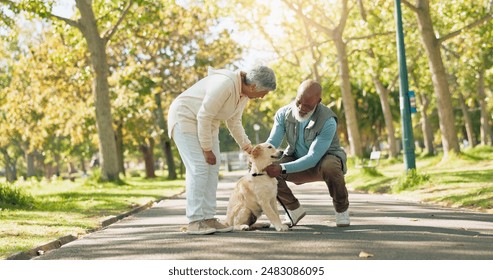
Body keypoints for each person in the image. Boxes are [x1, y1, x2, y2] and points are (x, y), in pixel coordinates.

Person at [168, 66, 277, 235]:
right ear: (254, 86)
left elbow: (234, 121)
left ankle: (208, 218)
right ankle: (195, 220)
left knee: (213, 167)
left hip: (208, 124)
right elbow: (203, 115)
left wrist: (247, 147)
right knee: (199, 168)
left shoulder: (243, 94)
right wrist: (207, 149)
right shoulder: (224, 84)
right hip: (185, 118)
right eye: (264, 92)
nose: (263, 97)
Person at [264, 79, 350, 227]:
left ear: (318, 101)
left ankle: (342, 210)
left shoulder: (328, 121)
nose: (302, 108)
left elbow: (313, 157)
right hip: (296, 158)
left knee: (331, 165)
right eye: (299, 102)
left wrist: (283, 168)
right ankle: (293, 209)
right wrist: (258, 155)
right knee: (264, 168)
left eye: (308, 105)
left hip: (322, 163)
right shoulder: (283, 114)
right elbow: (272, 143)